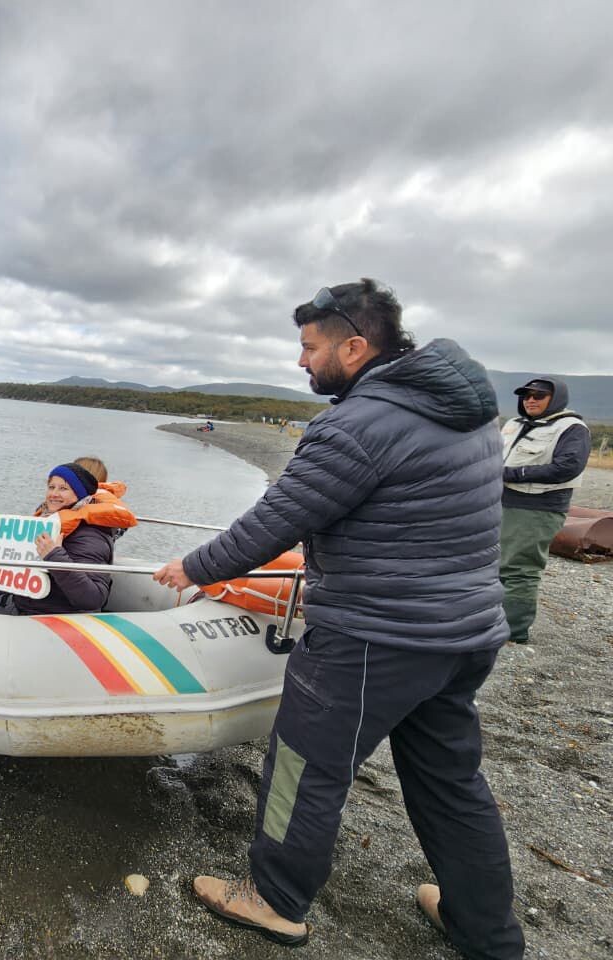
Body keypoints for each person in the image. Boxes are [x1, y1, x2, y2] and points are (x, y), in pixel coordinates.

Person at [153, 279, 523, 959]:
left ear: (354, 347)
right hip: (464, 631)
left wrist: (195, 567)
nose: (300, 362)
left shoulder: (358, 424)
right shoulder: (466, 413)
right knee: (451, 782)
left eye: (309, 347)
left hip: (373, 637)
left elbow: (275, 520)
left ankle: (275, 899)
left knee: (303, 766)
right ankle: (485, 928)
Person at [0, 459, 135, 615]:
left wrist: (55, 556)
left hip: (53, 617)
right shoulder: (49, 521)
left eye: (63, 489)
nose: (54, 493)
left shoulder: (90, 535)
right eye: (51, 487)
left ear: (80, 495)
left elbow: (93, 598)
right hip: (30, 606)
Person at [499, 377, 590, 643]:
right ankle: (491, 621)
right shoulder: (513, 425)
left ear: (557, 398)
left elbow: (567, 468)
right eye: (526, 395)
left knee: (520, 567)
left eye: (539, 395)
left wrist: (512, 474)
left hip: (537, 508)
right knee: (494, 564)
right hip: (500, 501)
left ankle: (512, 631)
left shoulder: (572, 427)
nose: (531, 399)